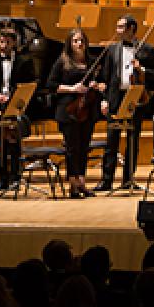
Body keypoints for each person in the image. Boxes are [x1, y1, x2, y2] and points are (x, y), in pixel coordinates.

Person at [95, 16, 154, 193]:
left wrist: (141, 69)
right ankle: (106, 180)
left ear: (131, 29)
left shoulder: (146, 49)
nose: (117, 30)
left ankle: (128, 179)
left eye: (121, 27)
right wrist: (104, 99)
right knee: (111, 140)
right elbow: (106, 77)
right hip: (115, 98)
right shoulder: (112, 49)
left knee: (133, 139)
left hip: (136, 97)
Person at [47, 29, 101, 198]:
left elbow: (99, 83)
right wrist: (72, 88)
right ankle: (73, 184)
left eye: (82, 41)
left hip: (87, 109)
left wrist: (95, 85)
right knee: (72, 148)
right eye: (76, 41)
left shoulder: (92, 62)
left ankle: (82, 182)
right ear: (70, 44)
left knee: (84, 147)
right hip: (68, 110)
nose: (79, 44)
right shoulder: (62, 62)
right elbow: (51, 85)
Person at [0, 28, 37, 192]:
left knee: (14, 143)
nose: (3, 46)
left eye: (7, 42)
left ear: (14, 43)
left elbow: (30, 84)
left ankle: (16, 176)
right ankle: (3, 178)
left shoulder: (24, 61)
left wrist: (14, 97)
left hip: (15, 106)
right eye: (1, 42)